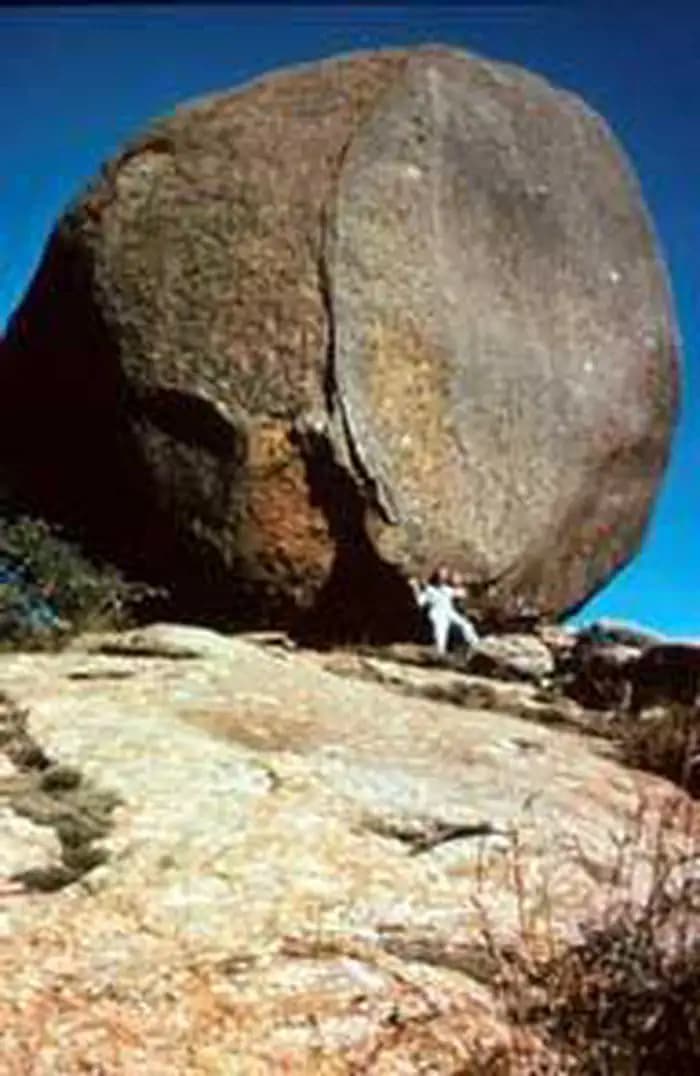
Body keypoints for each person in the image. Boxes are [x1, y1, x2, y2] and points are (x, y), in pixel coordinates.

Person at [410, 565, 480, 656]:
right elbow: (420, 602)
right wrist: (415, 588)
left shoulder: (446, 588)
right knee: (441, 633)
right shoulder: (429, 590)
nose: (443, 576)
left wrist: (461, 583)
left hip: (449, 611)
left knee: (466, 625)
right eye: (441, 574)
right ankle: (440, 653)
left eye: (445, 574)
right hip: (438, 613)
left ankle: (477, 646)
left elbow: (462, 594)